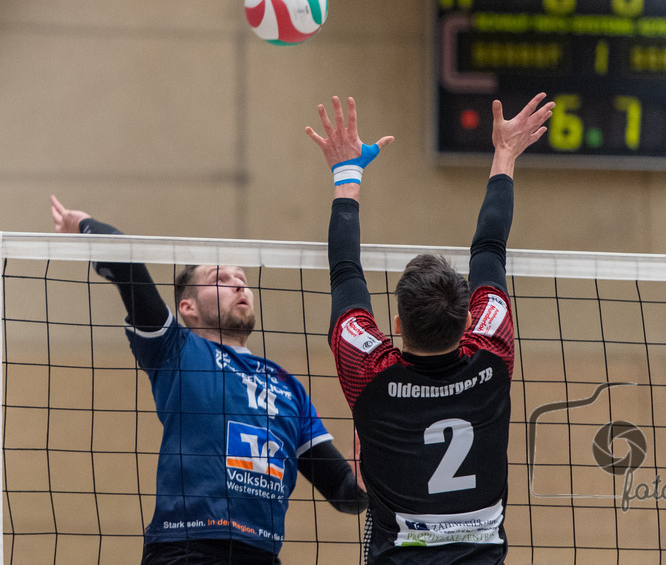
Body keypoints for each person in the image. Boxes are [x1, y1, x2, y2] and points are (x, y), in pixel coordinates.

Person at [50, 197, 367, 564]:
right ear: (188, 307)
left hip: (260, 554)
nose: (238, 286)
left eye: (243, 281)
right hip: (186, 548)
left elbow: (346, 496)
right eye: (221, 280)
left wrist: (368, 471)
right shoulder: (176, 348)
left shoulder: (288, 386)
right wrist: (84, 223)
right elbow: (126, 262)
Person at [305, 93, 553, 563]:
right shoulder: (492, 355)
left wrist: (347, 173)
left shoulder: (372, 373)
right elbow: (490, 248)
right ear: (467, 323)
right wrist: (505, 153)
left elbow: (344, 271)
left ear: (396, 325)